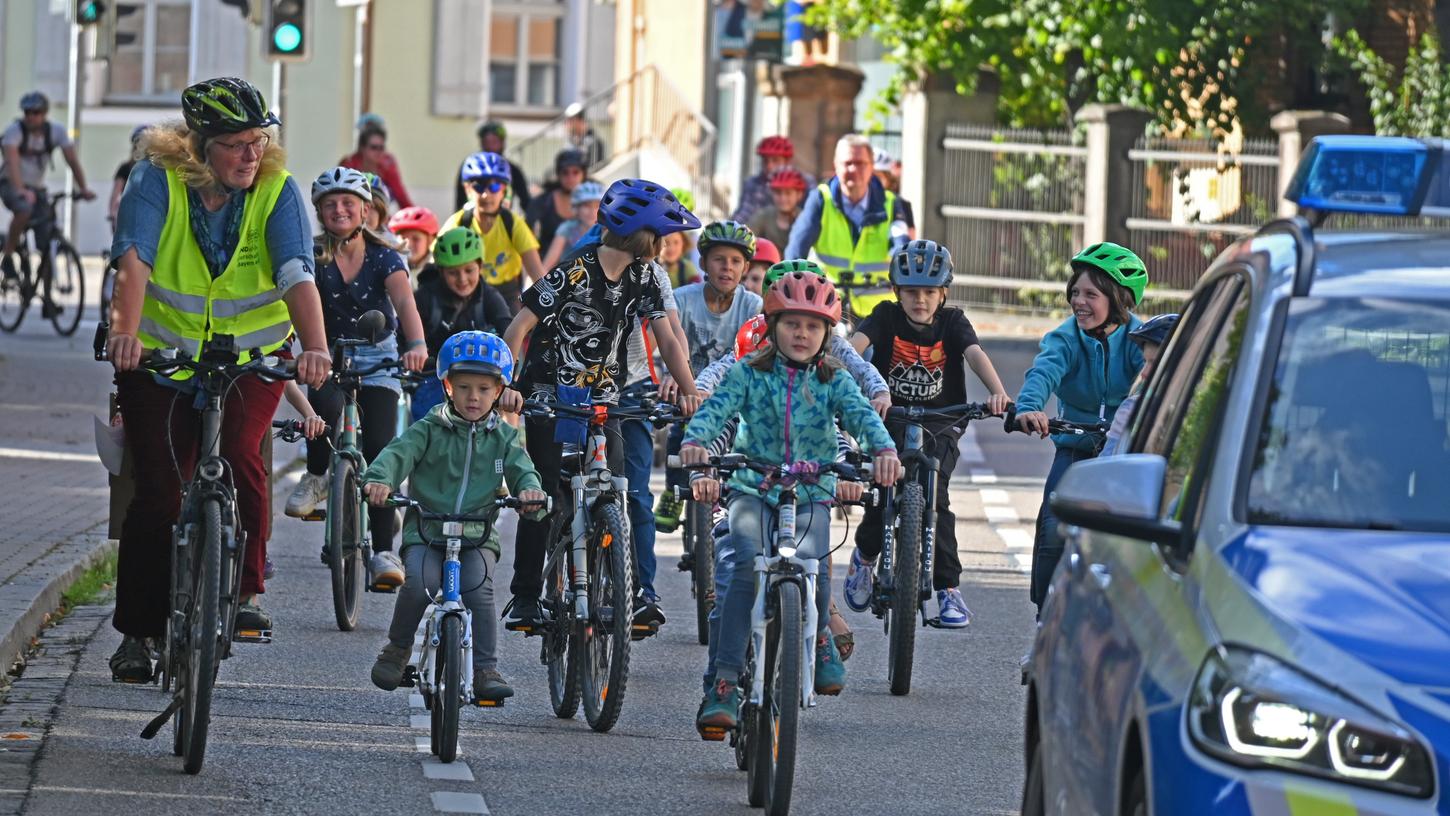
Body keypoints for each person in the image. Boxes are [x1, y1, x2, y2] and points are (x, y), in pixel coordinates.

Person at [103, 77, 331, 681]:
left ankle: (247, 593)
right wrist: (125, 332)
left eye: (257, 141)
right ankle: (139, 632)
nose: (251, 155)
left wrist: (315, 348)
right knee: (158, 489)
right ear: (201, 145)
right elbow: (134, 259)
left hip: (248, 358)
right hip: (158, 357)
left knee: (238, 455)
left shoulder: (276, 189)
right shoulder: (156, 179)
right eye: (235, 144)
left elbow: (294, 272)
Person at [684, 271, 901, 733]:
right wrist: (697, 446)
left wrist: (883, 452)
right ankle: (723, 682)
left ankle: (820, 635)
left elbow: (863, 418)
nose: (801, 334)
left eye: (813, 326)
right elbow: (715, 409)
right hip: (751, 488)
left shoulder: (834, 380)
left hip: (810, 493)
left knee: (813, 564)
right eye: (791, 324)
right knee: (743, 566)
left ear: (827, 335)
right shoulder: (748, 373)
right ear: (772, 324)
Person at [497, 178, 703, 627]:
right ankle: (527, 594)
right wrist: (507, 384)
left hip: (603, 398)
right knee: (543, 492)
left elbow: (666, 337)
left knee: (618, 487)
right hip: (549, 396)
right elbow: (518, 329)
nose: (666, 246)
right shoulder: (573, 270)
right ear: (643, 236)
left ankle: (616, 583)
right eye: (662, 237)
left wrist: (689, 391)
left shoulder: (644, 276)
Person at [364, 331, 548, 703]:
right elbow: (396, 455)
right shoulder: (428, 429)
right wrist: (379, 480)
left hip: (477, 535)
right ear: (447, 385)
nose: (474, 397)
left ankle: (485, 669)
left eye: (483, 388)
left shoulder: (504, 439)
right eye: (464, 387)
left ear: (499, 391)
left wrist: (530, 492)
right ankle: (397, 650)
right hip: (427, 532)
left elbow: (522, 469)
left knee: (479, 592)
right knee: (418, 584)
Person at [844, 240, 1011, 628]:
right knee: (882, 488)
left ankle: (948, 590)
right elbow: (856, 347)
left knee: (935, 494)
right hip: (890, 417)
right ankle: (865, 558)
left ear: (943, 294)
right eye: (911, 292)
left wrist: (998, 393)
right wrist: (844, 376)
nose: (920, 300)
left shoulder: (953, 322)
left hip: (941, 421)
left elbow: (974, 354)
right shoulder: (885, 317)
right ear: (896, 293)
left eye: (929, 292)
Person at [282, 167, 428, 589]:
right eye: (330, 205)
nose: (339, 210)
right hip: (325, 355)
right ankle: (316, 476)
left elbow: (405, 303)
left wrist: (415, 345)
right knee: (322, 411)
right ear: (319, 213)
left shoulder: (385, 255)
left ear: (366, 210)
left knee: (382, 450)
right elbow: (291, 301)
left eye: (348, 203)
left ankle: (383, 550)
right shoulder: (310, 255)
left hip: (377, 355)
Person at [1014, 242, 1147, 612]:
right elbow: (1043, 372)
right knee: (1054, 529)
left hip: (1125, 451)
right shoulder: (1065, 338)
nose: (1079, 301)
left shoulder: (1141, 341)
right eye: (1075, 292)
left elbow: (1159, 383)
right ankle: (1045, 618)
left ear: (1119, 299)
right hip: (1076, 445)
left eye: (1091, 293)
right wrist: (1029, 408)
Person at [654, 221, 763, 533]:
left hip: (732, 395)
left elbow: (751, 355)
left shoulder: (752, 305)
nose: (726, 268)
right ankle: (675, 489)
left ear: (745, 268)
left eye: (735, 261)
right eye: (719, 260)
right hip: (688, 392)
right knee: (682, 425)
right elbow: (666, 341)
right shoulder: (683, 299)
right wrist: (671, 375)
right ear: (703, 263)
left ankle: (731, 491)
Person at [785, 133, 909, 322]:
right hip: (827, 303)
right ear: (836, 165)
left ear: (871, 168)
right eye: (847, 163)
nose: (853, 169)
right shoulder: (821, 199)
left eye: (860, 163)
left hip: (879, 311)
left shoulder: (892, 204)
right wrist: (789, 288)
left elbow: (901, 248)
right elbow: (797, 247)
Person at [410, 227, 513, 420]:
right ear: (441, 272)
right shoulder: (424, 297)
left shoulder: (489, 296)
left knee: (497, 422)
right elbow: (403, 333)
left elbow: (508, 330)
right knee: (428, 421)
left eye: (469, 270)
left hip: (479, 376)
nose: (463, 279)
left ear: (480, 266)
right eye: (453, 273)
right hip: (434, 377)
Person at [2, 91, 95, 280]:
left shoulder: (56, 131)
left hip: (36, 188)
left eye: (35, 112)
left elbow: (72, 161)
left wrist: (83, 188)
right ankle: (8, 255)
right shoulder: (15, 131)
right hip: (10, 183)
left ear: (44, 113)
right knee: (24, 209)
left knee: (46, 231)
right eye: (27, 112)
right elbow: (11, 163)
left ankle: (46, 293)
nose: (30, 116)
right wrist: (20, 189)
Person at [442, 152, 544, 314]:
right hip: (467, 292)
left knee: (512, 334)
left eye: (494, 186)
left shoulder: (513, 223)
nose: (486, 194)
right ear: (467, 188)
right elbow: (435, 265)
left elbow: (537, 274)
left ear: (504, 189)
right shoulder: (458, 223)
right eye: (478, 186)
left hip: (507, 294)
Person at [1099, 313, 1178, 457]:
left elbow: (1107, 467)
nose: (1144, 373)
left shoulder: (1132, 409)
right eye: (1145, 362)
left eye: (1155, 363)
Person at [454, 120, 530, 212]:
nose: (487, 195)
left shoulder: (513, 170)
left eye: (494, 142)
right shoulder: (469, 168)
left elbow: (526, 202)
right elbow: (459, 201)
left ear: (502, 143)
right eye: (487, 142)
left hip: (502, 222)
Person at [339, 116, 413, 209]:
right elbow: (339, 197)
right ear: (362, 148)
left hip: (380, 217)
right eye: (374, 147)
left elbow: (401, 197)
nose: (379, 152)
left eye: (381, 148)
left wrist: (415, 217)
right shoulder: (349, 164)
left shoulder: (388, 164)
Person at [731, 135, 808, 223]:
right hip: (758, 233)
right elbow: (744, 213)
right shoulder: (753, 184)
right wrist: (730, 228)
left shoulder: (804, 182)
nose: (769, 166)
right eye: (765, 161)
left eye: (775, 160)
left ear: (787, 161)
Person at [526, 148, 590, 253]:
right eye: (565, 172)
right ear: (558, 174)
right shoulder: (543, 202)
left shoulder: (596, 201)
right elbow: (527, 237)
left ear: (584, 174)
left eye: (576, 172)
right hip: (548, 265)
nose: (570, 177)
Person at [540, 180, 603, 269]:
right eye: (586, 205)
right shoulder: (567, 228)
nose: (592, 211)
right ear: (575, 208)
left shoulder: (607, 230)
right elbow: (547, 265)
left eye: (597, 206)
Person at [746, 166, 807, 250]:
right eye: (778, 192)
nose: (783, 198)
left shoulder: (805, 219)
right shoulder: (764, 216)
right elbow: (746, 237)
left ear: (799, 195)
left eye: (788, 193)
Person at [387, 205, 440, 283]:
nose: (408, 244)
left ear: (430, 240)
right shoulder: (389, 267)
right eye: (403, 238)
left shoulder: (438, 272)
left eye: (416, 239)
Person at [108, 125, 148, 227]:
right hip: (129, 214)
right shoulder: (125, 168)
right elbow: (116, 193)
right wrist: (112, 213)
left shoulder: (156, 169)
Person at [873, 149, 915, 239]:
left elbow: (910, 240)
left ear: (888, 178)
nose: (872, 181)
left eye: (877, 177)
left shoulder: (901, 204)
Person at [563, 102, 605, 169]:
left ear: (579, 121)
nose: (566, 124)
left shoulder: (593, 142)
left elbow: (594, 167)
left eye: (569, 121)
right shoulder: (570, 142)